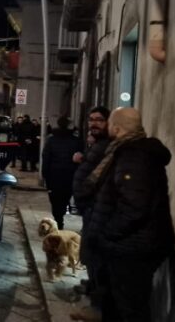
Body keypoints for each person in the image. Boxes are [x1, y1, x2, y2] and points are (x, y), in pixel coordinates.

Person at [83, 107, 174, 322]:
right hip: (131, 246)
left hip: (131, 249)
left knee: (129, 310)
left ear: (116, 127)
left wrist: (107, 234)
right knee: (119, 306)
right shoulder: (129, 152)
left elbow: (134, 207)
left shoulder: (134, 156)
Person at [71, 106, 111, 321]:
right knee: (91, 258)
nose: (94, 123)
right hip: (91, 212)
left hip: (97, 213)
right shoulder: (96, 146)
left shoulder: (107, 148)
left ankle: (97, 307)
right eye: (91, 119)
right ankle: (93, 298)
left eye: (99, 120)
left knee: (97, 261)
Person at [42, 116, 85, 230]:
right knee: (65, 198)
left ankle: (58, 220)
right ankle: (60, 219)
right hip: (70, 175)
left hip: (54, 176)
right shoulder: (76, 141)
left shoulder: (51, 140)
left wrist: (45, 175)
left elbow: (46, 158)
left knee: (55, 200)